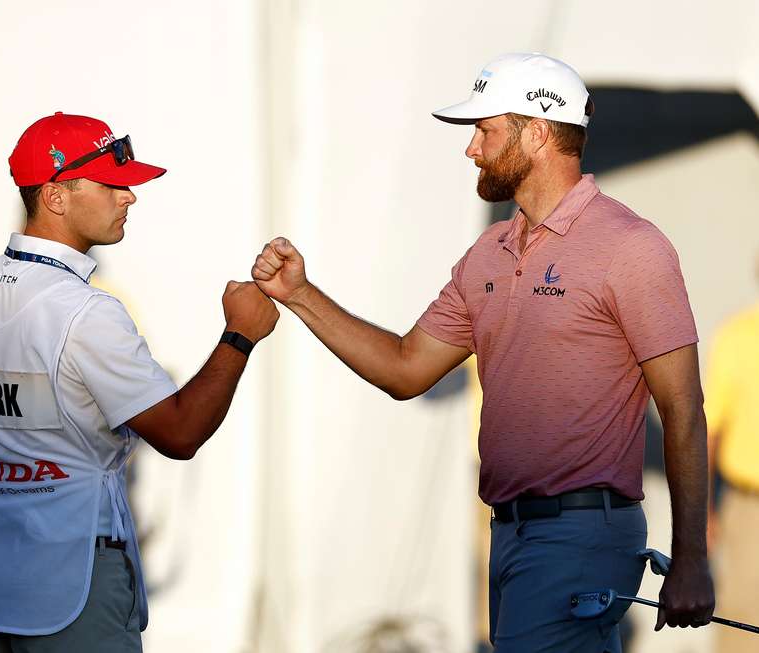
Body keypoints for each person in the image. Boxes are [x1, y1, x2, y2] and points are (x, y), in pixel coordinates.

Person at [251, 53, 714, 652]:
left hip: (580, 538)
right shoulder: (487, 252)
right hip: (511, 536)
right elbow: (404, 368)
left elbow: (684, 409)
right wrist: (299, 295)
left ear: (539, 132)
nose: (472, 149)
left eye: (485, 130)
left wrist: (692, 558)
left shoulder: (632, 248)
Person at [0, 111, 279, 652]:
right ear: (55, 195)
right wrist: (240, 335)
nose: (129, 197)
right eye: (112, 183)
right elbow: (181, 434)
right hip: (73, 580)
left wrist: (14, 494)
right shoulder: (87, 310)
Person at [704, 293, 759, 653]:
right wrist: (704, 512)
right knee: (743, 625)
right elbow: (709, 433)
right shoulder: (738, 336)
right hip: (748, 510)